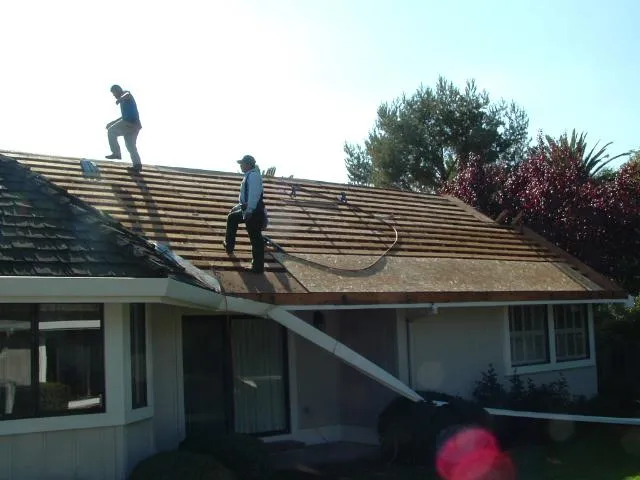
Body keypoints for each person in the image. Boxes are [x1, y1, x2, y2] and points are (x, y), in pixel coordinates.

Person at [223, 155, 266, 274]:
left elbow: (254, 195)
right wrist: (237, 207)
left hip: (254, 212)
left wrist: (249, 211)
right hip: (250, 210)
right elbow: (245, 198)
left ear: (248, 164)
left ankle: (257, 267)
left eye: (242, 164)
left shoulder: (253, 176)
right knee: (232, 218)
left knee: (255, 239)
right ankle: (229, 245)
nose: (241, 166)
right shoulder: (249, 176)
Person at [105, 84, 142, 172]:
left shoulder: (125, 94)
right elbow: (124, 117)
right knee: (130, 145)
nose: (114, 96)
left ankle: (116, 153)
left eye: (114, 93)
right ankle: (137, 165)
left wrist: (120, 99)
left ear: (118, 91)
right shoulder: (124, 102)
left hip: (130, 123)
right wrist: (112, 122)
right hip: (135, 126)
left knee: (111, 131)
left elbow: (127, 95)